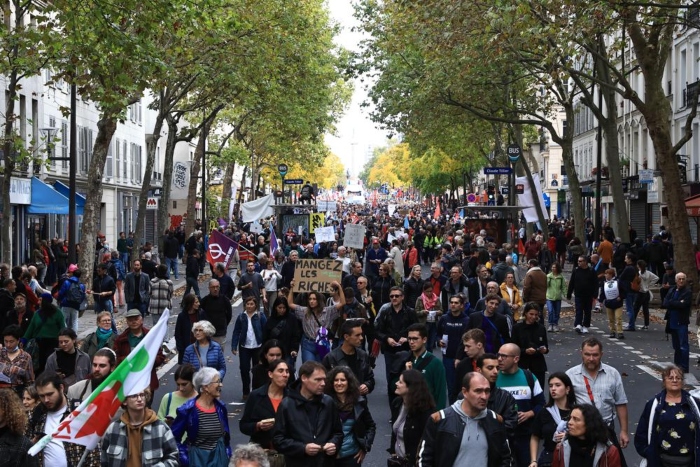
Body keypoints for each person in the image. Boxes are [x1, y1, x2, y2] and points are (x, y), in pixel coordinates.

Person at [417, 372, 513, 467]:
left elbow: (506, 457)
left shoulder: (495, 420)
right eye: (478, 391)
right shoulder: (440, 420)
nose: (484, 396)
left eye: (487, 391)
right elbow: (424, 458)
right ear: (465, 392)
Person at [566, 337, 629, 467]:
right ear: (581, 353)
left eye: (595, 355)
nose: (591, 358)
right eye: (587, 354)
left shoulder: (613, 374)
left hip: (606, 430)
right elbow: (563, 404)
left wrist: (624, 431)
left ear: (601, 354)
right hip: (581, 432)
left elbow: (620, 403)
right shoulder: (570, 375)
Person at [272, 361, 343, 467]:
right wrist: (303, 448)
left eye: (324, 379)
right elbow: (278, 440)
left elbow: (338, 433)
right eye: (318, 380)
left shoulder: (328, 402)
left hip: (325, 463)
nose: (323, 384)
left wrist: (334, 444)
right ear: (304, 378)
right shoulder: (287, 405)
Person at [27, 372, 100, 466]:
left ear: (61, 388)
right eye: (42, 396)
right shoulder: (36, 414)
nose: (46, 400)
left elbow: (94, 452)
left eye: (50, 394)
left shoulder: (80, 411)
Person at [635, 364, 700, 467]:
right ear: (664, 381)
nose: (674, 380)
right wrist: (649, 453)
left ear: (682, 382)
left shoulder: (694, 404)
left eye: (678, 378)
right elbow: (641, 432)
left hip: (690, 462)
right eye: (670, 378)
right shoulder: (654, 404)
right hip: (661, 461)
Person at [101, 386, 179, 466]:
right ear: (124, 401)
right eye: (134, 396)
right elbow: (104, 460)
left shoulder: (160, 428)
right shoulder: (113, 429)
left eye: (142, 395)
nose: (139, 399)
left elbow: (174, 458)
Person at [496, 342, 546, 467]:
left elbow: (542, 403)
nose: (499, 359)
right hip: (501, 436)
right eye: (498, 355)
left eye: (504, 356)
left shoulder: (529, 377)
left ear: (516, 359)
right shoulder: (493, 378)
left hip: (525, 436)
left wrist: (530, 413)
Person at [172, 367, 232, 466]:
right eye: (217, 381)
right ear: (205, 387)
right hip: (197, 461)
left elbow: (226, 439)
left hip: (220, 460)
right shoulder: (187, 410)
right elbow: (173, 440)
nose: (221, 384)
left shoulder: (221, 408)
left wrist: (227, 453)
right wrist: (186, 459)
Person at [325, 366, 376, 466]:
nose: (339, 383)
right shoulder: (325, 403)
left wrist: (365, 447)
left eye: (343, 380)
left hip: (352, 457)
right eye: (336, 380)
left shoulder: (359, 402)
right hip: (330, 458)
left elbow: (371, 426)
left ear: (349, 382)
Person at [240, 359, 290, 454]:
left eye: (287, 371)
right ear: (270, 374)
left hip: (286, 452)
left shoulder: (292, 398)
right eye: (280, 371)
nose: (285, 375)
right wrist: (257, 426)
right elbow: (244, 425)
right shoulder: (256, 396)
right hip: (261, 452)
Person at [529, 372, 577, 467]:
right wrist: (533, 460)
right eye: (551, 386)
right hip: (548, 459)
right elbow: (535, 436)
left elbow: (586, 435)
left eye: (557, 385)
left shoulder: (577, 412)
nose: (553, 389)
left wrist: (568, 436)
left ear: (567, 389)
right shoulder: (544, 412)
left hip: (573, 458)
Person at [289, 282, 345, 363]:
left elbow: (342, 303)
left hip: (322, 344)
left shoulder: (328, 311)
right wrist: (291, 288)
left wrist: (339, 287)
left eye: (314, 299)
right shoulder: (304, 311)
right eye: (310, 299)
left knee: (321, 367)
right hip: (308, 343)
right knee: (309, 367)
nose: (311, 301)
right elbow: (290, 304)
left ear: (319, 300)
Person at [114, 309, 165, 395]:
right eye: (130, 320)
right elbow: (116, 359)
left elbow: (160, 357)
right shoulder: (121, 339)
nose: (133, 322)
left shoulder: (151, 336)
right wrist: (129, 360)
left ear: (142, 320)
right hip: (128, 380)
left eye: (136, 319)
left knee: (147, 402)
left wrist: (148, 360)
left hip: (147, 380)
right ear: (127, 322)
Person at [390, 369, 435, 466]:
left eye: (400, 382)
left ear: (410, 387)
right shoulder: (397, 404)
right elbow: (394, 432)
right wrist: (393, 452)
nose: (396, 383)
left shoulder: (424, 412)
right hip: (398, 462)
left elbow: (428, 443)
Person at [552, 404, 621, 467]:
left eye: (576, 419)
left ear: (589, 423)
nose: (569, 422)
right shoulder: (561, 449)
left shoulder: (608, 452)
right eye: (570, 418)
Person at [375, 286, 418, 385]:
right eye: (392, 296)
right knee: (390, 376)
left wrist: (407, 338)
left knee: (406, 376)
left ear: (402, 297)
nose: (394, 298)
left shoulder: (410, 312)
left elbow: (417, 329)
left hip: (406, 349)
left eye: (397, 296)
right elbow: (377, 331)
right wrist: (387, 338)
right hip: (389, 350)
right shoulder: (385, 312)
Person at [322, 320, 375, 396]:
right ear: (346, 337)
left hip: (359, 400)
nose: (361, 338)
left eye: (361, 334)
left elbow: (370, 378)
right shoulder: (330, 358)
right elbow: (325, 384)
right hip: (338, 401)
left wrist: (367, 385)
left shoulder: (363, 355)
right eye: (357, 335)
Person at [231, 297, 267, 400]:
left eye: (252, 304)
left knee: (257, 370)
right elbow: (236, 332)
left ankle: (256, 391)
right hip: (244, 347)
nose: (249, 306)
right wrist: (234, 346)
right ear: (245, 305)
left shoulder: (260, 316)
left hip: (258, 347)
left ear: (255, 305)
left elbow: (265, 332)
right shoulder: (241, 317)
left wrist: (265, 348)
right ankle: (246, 391)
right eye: (248, 304)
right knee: (244, 369)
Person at [437, 293, 470, 403]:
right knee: (451, 387)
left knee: (463, 387)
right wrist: (439, 341)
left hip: (463, 358)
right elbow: (438, 334)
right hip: (448, 357)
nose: (453, 305)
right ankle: (452, 408)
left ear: (462, 305)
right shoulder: (444, 318)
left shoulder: (467, 320)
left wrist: (459, 358)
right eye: (451, 302)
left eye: (456, 303)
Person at [23, 292, 66, 375]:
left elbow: (62, 328)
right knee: (39, 363)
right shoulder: (37, 314)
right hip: (39, 343)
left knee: (49, 361)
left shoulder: (58, 313)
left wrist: (63, 340)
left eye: (40, 300)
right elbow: (31, 328)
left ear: (45, 301)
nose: (38, 302)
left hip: (53, 343)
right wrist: (24, 339)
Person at [511, 302, 549, 387]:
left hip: (538, 365)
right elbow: (513, 347)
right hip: (522, 364)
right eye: (531, 314)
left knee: (538, 389)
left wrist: (544, 350)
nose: (533, 317)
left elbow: (546, 346)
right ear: (525, 313)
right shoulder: (517, 328)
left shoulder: (541, 328)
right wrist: (525, 351)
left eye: (536, 315)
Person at [663, 272, 693, 373]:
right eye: (679, 279)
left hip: (682, 322)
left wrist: (673, 303)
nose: (681, 281)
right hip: (672, 322)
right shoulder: (672, 290)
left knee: (683, 346)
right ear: (676, 280)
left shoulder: (687, 292)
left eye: (683, 279)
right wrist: (677, 303)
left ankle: (684, 367)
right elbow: (665, 302)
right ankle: (677, 365)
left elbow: (683, 305)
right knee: (676, 346)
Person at [0, 388, 38, 466]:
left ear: (7, 409)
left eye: (28, 399)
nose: (25, 402)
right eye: (23, 398)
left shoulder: (23, 445)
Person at [262, 295, 301, 369]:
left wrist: (294, 349)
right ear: (275, 307)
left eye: (284, 308)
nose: (282, 310)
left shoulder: (292, 319)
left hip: (288, 352)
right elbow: (265, 337)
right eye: (280, 308)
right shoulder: (270, 320)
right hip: (274, 352)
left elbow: (295, 335)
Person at [567, 255, 598, 334]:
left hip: (588, 295)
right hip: (578, 294)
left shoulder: (591, 271)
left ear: (585, 262)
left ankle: (585, 325)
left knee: (587, 311)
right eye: (578, 261)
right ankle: (578, 324)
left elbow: (595, 283)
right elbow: (572, 282)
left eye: (580, 261)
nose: (578, 262)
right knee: (579, 310)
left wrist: (595, 294)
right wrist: (569, 293)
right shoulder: (576, 270)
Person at [0, 324, 34, 398]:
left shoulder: (25, 357)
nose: (8, 345)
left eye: (11, 341)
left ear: (18, 340)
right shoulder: (1, 352)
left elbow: (30, 381)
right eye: (6, 341)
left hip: (17, 393)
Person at [201, 279, 233, 346]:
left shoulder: (225, 300)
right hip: (208, 333)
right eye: (213, 287)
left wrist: (223, 324)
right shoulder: (204, 301)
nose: (215, 289)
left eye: (217, 287)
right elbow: (201, 315)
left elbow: (229, 315)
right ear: (209, 288)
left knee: (220, 351)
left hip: (220, 333)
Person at [176, 294, 205, 365]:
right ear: (190, 304)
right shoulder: (182, 316)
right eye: (196, 302)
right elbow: (178, 333)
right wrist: (181, 348)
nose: (199, 304)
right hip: (187, 349)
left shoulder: (201, 313)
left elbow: (206, 329)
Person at [414, 281, 443, 351]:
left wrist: (438, 312)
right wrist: (423, 312)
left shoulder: (436, 299)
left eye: (431, 291)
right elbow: (416, 312)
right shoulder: (420, 299)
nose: (429, 293)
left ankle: (430, 356)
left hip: (434, 323)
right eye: (427, 291)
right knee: (425, 344)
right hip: (424, 323)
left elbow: (441, 310)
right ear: (424, 291)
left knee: (431, 344)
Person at [56, 266, 86, 334]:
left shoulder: (67, 282)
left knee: (63, 320)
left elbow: (61, 293)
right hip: (76, 305)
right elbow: (82, 296)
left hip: (66, 303)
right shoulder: (82, 285)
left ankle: (64, 334)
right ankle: (74, 335)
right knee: (75, 321)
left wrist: (59, 300)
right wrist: (79, 302)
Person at [631, 260, 658, 331]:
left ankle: (632, 322)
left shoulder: (639, 273)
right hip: (646, 292)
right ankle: (646, 324)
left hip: (640, 292)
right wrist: (649, 284)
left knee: (636, 308)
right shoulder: (648, 273)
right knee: (645, 309)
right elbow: (656, 278)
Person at [600, 269, 626, 340]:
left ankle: (620, 332)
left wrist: (620, 297)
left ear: (611, 275)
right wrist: (600, 301)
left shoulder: (618, 282)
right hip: (609, 303)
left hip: (618, 303)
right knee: (610, 319)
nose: (605, 275)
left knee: (618, 317)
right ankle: (612, 331)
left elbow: (624, 291)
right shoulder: (604, 282)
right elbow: (603, 292)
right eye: (605, 274)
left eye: (607, 274)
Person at [545, 263, 566, 332]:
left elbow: (563, 287)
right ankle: (550, 324)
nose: (553, 268)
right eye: (552, 267)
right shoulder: (548, 276)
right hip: (549, 297)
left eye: (555, 267)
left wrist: (565, 294)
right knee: (550, 311)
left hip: (558, 297)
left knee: (557, 312)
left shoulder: (561, 277)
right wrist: (547, 280)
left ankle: (555, 324)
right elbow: (546, 286)